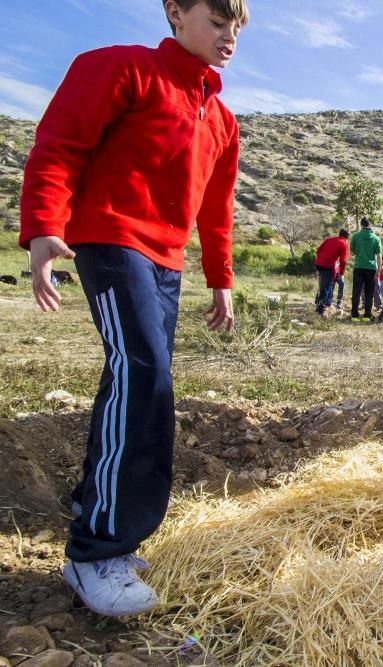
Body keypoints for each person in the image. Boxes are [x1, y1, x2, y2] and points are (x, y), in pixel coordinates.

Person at [17, 0, 247, 617]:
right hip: (111, 240)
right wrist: (43, 227)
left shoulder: (223, 119)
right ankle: (95, 553)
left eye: (237, 26)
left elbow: (215, 208)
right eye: (218, 20)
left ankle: (106, 521)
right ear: (174, 12)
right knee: (144, 375)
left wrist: (219, 279)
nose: (230, 35)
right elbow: (60, 144)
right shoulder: (122, 69)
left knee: (133, 378)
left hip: (166, 262)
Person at [349, 217, 382, 321]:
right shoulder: (376, 238)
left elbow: (352, 253)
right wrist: (379, 269)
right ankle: (367, 316)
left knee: (356, 291)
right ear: (369, 225)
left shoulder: (355, 236)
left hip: (359, 267)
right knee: (369, 293)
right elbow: (379, 256)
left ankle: (354, 315)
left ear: (362, 225)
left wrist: (359, 251)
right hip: (371, 268)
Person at [314, 228, 349, 317]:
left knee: (328, 284)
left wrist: (321, 260)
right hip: (327, 265)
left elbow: (318, 250)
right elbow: (343, 261)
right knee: (326, 287)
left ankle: (327, 305)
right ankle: (320, 310)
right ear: (347, 237)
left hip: (319, 263)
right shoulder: (344, 243)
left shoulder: (330, 239)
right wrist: (341, 273)